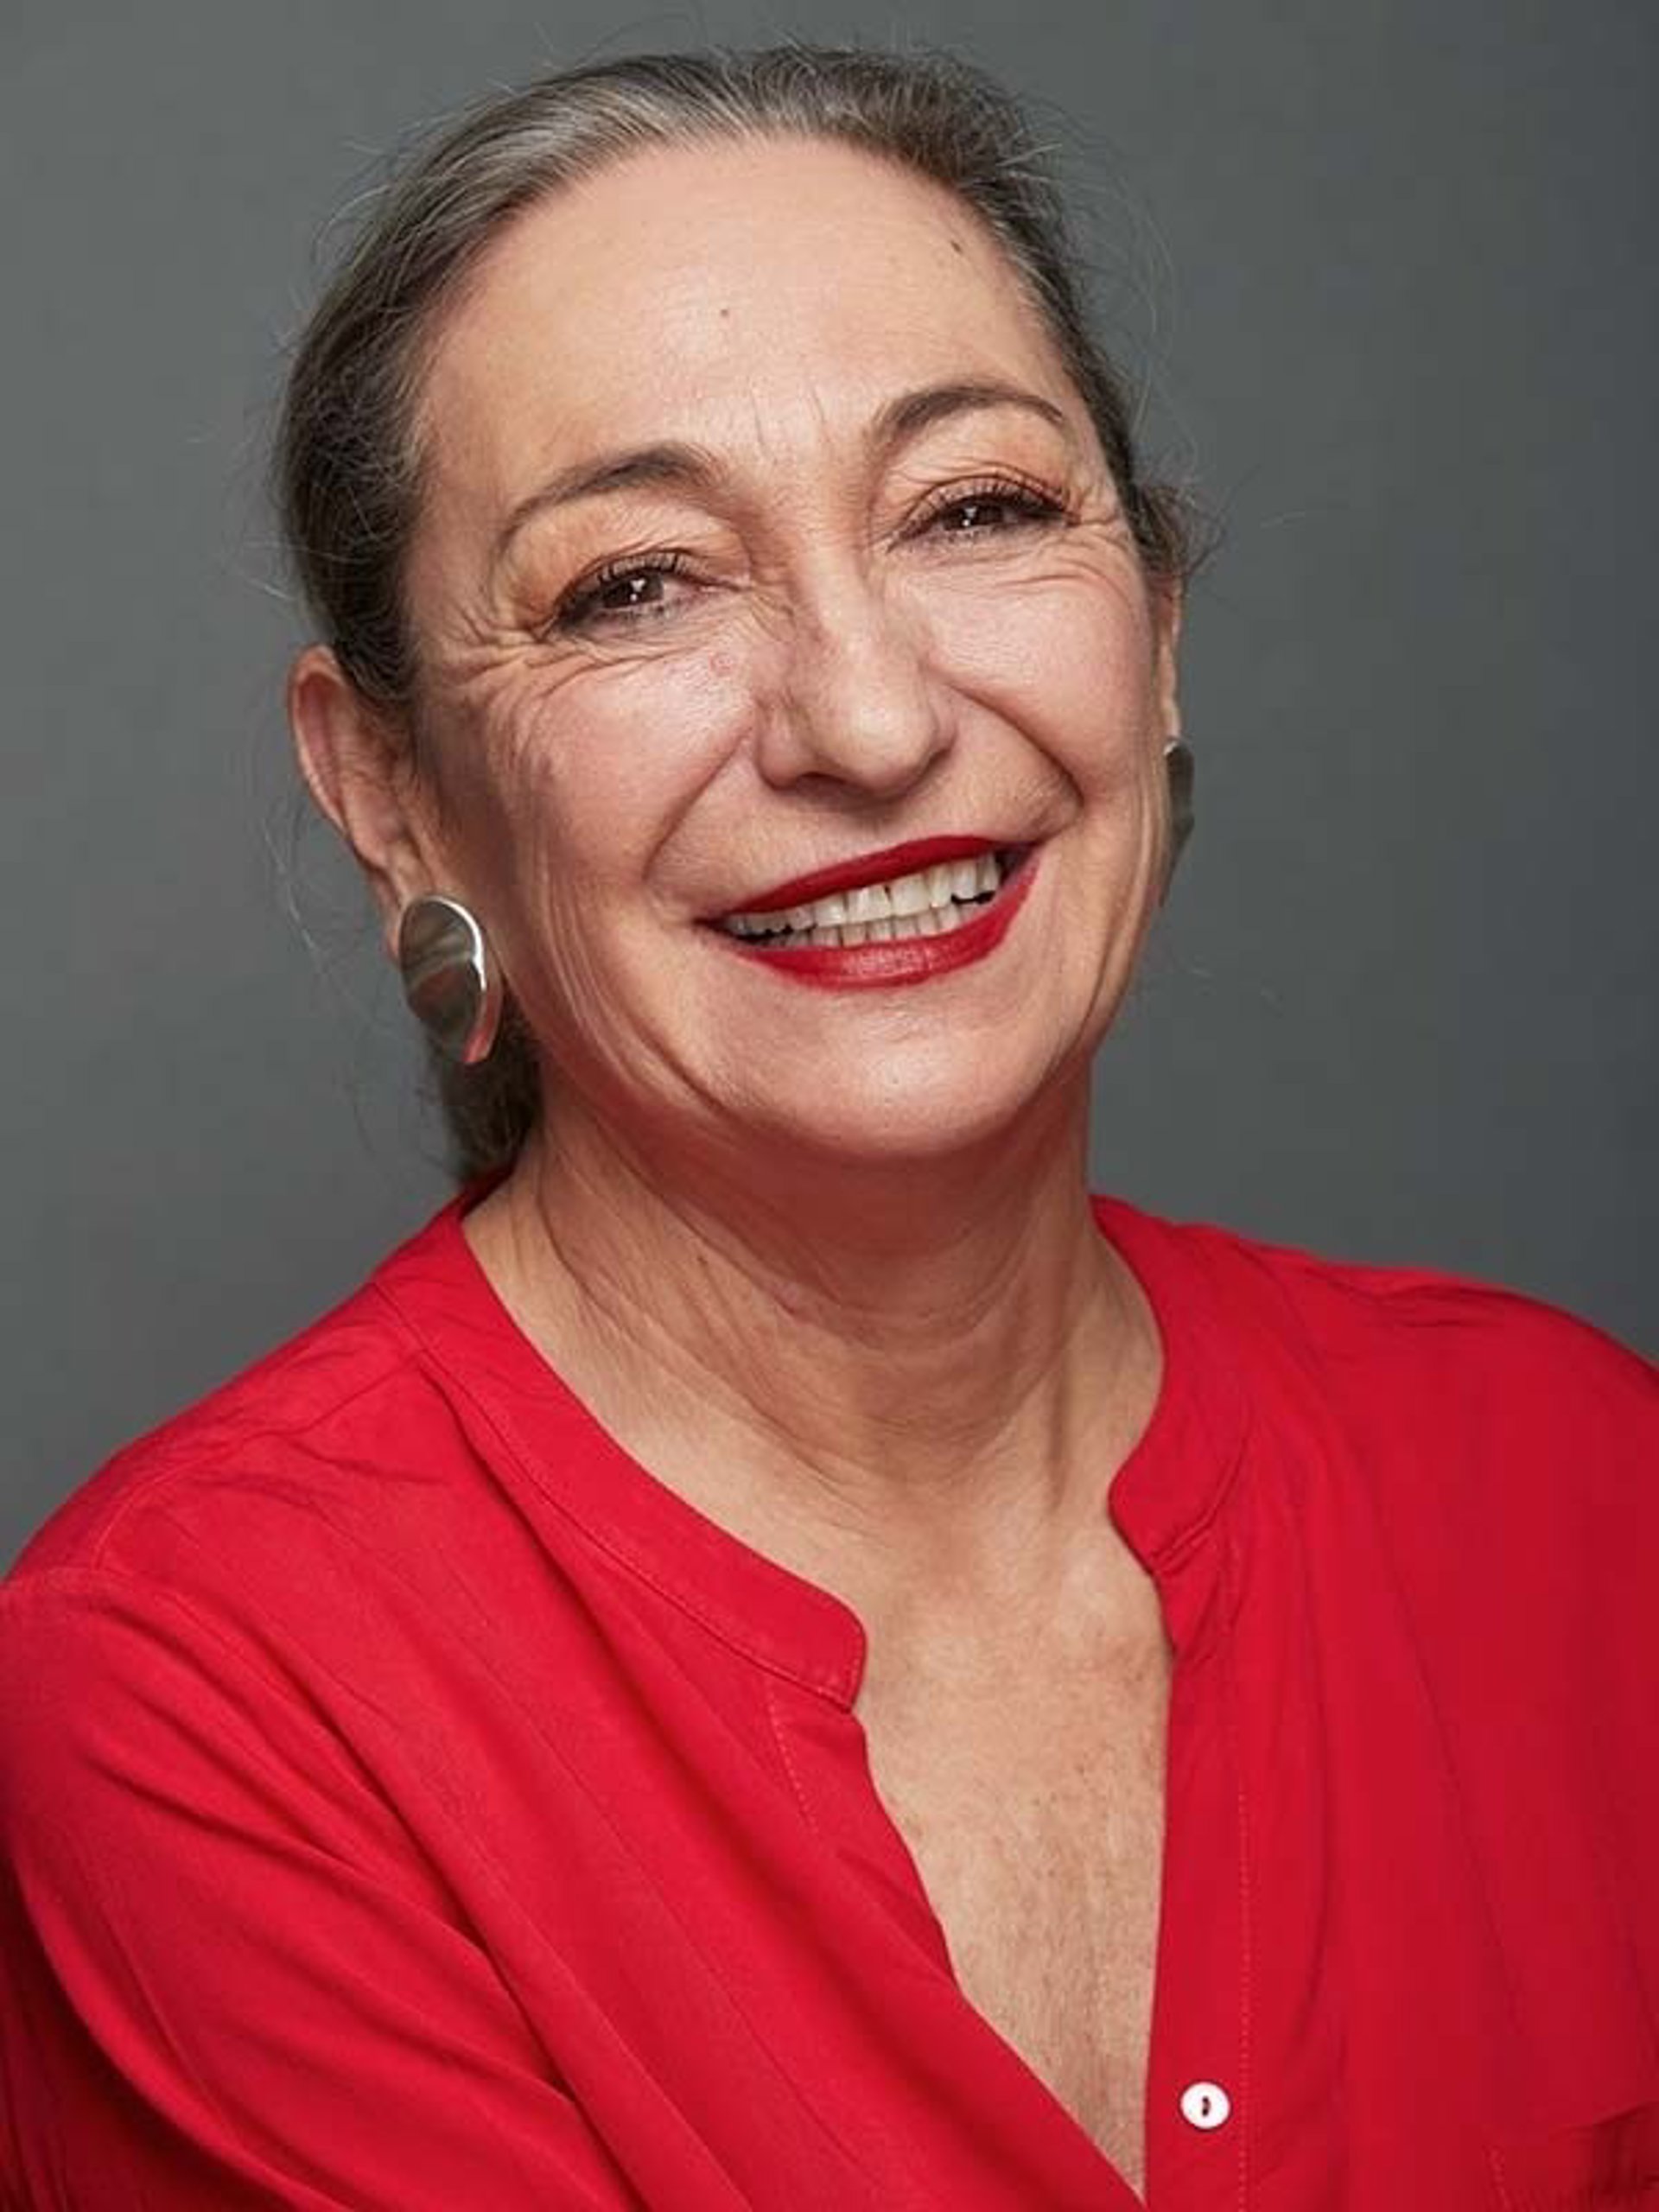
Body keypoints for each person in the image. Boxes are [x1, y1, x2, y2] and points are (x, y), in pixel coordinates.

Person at [1, 40, 1654, 2212]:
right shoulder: (204, 1687)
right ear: (395, 797)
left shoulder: (1579, 1486)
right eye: (638, 584)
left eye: (976, 510)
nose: (869, 721)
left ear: (1155, 632)